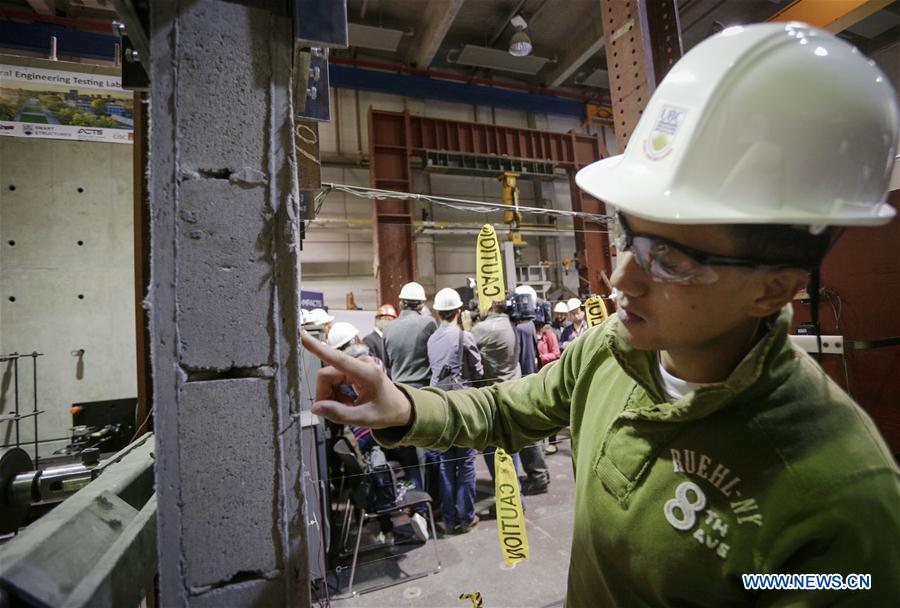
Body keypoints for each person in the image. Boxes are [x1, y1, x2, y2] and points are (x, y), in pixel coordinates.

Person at [301, 24, 900, 606]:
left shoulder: (842, 504)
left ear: (773, 290)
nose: (621, 279)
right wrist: (404, 407)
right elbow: (506, 409)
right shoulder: (610, 349)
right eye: (628, 236)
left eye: (670, 259)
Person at [328, 323, 430, 543]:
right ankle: (418, 512)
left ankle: (388, 530)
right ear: (354, 341)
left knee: (378, 476)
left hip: (363, 435)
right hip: (388, 427)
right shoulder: (374, 363)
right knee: (411, 463)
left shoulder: (336, 377)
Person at [428, 288, 484, 534]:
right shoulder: (464, 337)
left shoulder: (431, 339)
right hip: (462, 407)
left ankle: (450, 520)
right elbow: (479, 372)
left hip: (440, 407)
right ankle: (467, 516)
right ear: (459, 312)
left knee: (446, 465)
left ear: (438, 313)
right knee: (467, 463)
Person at [381, 281, 437, 507]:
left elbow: (387, 365)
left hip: (400, 395)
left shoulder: (388, 329)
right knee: (430, 450)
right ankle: (432, 502)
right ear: (421, 304)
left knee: (410, 455)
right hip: (424, 394)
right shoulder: (428, 324)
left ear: (401, 303)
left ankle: (418, 505)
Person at [468, 298, 524, 490]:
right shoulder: (511, 324)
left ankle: (508, 491)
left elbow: (465, 342)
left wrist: (467, 325)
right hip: (513, 391)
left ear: (490, 306)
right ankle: (514, 491)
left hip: (494, 396)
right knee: (510, 446)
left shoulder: (484, 328)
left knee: (492, 446)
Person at [512, 286, 551, 495]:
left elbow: (524, 360)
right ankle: (541, 473)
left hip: (525, 385)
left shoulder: (522, 328)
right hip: (532, 382)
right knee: (534, 433)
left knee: (528, 435)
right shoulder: (528, 326)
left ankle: (538, 477)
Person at [535, 317, 562, 454]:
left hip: (549, 374)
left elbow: (556, 353)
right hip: (537, 376)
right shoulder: (533, 333)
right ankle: (542, 441)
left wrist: (541, 358)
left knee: (551, 409)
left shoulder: (549, 334)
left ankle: (552, 442)